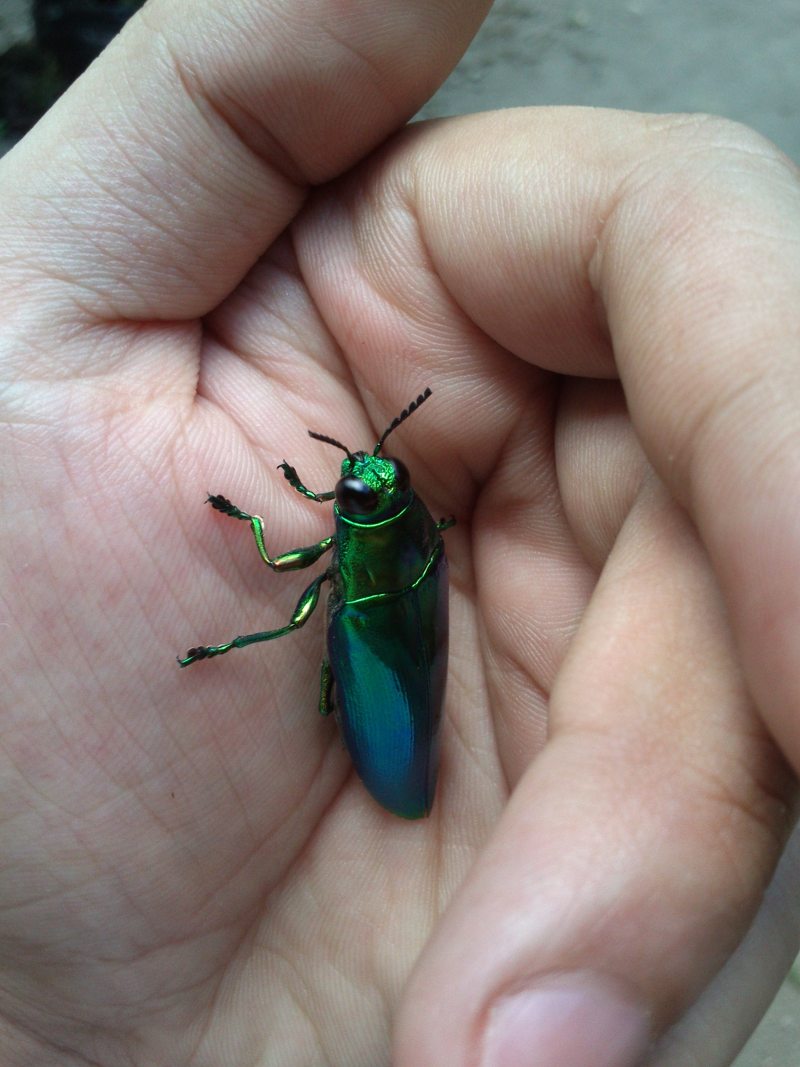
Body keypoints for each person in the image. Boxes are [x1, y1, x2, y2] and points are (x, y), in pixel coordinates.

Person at [0, 2, 798, 1065]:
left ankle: (302, 702)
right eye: (349, 480)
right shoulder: (403, 539)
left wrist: (266, 504)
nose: (358, 479)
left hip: (382, 656)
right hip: (388, 644)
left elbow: (297, 558)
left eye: (366, 480)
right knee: (320, 629)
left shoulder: (381, 541)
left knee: (305, 621)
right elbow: (339, 540)